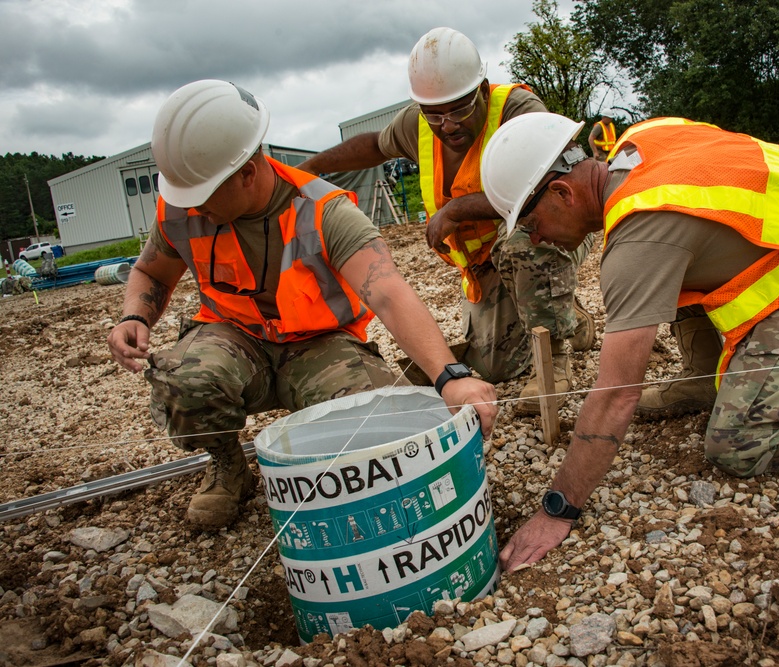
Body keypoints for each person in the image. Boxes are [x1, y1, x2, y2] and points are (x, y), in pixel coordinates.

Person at [479, 112, 779, 570]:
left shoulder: (643, 235)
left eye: (530, 222)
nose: (534, 236)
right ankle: (707, 380)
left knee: (741, 446)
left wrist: (558, 509)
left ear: (562, 191)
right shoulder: (644, 139)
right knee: (667, 279)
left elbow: (617, 394)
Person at [107, 80, 498, 531]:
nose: (193, 207)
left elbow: (388, 293)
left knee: (376, 416)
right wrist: (135, 315)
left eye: (203, 197)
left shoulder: (323, 211)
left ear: (248, 173)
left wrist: (449, 377)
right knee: (185, 380)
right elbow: (152, 272)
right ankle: (227, 465)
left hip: (319, 345)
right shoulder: (182, 207)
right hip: (233, 336)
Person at [299, 27, 596, 415]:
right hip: (486, 260)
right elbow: (373, 145)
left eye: (459, 110)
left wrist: (455, 210)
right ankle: (569, 315)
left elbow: (540, 189)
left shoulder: (519, 110)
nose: (448, 125)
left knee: (522, 245)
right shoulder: (418, 124)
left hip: (549, 230)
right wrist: (310, 169)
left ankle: (554, 362)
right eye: (435, 114)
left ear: (483, 91)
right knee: (495, 366)